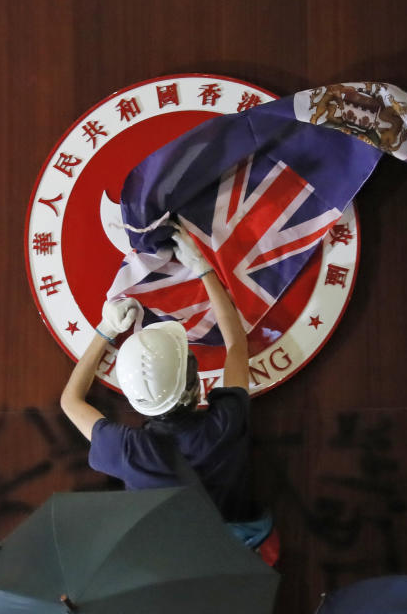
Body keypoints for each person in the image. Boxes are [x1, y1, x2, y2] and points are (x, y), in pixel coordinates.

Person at [60, 223, 278, 560]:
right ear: (194, 383)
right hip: (234, 567)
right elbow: (235, 343)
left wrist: (105, 331)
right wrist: (204, 268)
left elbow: (71, 401)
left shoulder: (128, 450)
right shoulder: (224, 426)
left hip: (168, 573)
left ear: (134, 399)